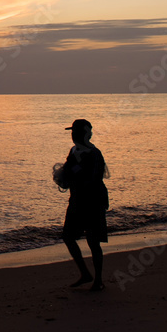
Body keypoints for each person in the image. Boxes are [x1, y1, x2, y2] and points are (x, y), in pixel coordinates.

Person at [55, 118, 109, 291]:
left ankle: (98, 280)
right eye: (72, 132)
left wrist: (74, 170)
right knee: (68, 237)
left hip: (93, 202)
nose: (72, 136)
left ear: (84, 134)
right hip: (77, 200)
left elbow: (93, 178)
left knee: (93, 242)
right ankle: (85, 274)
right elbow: (69, 171)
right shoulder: (74, 150)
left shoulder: (94, 154)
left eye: (75, 132)